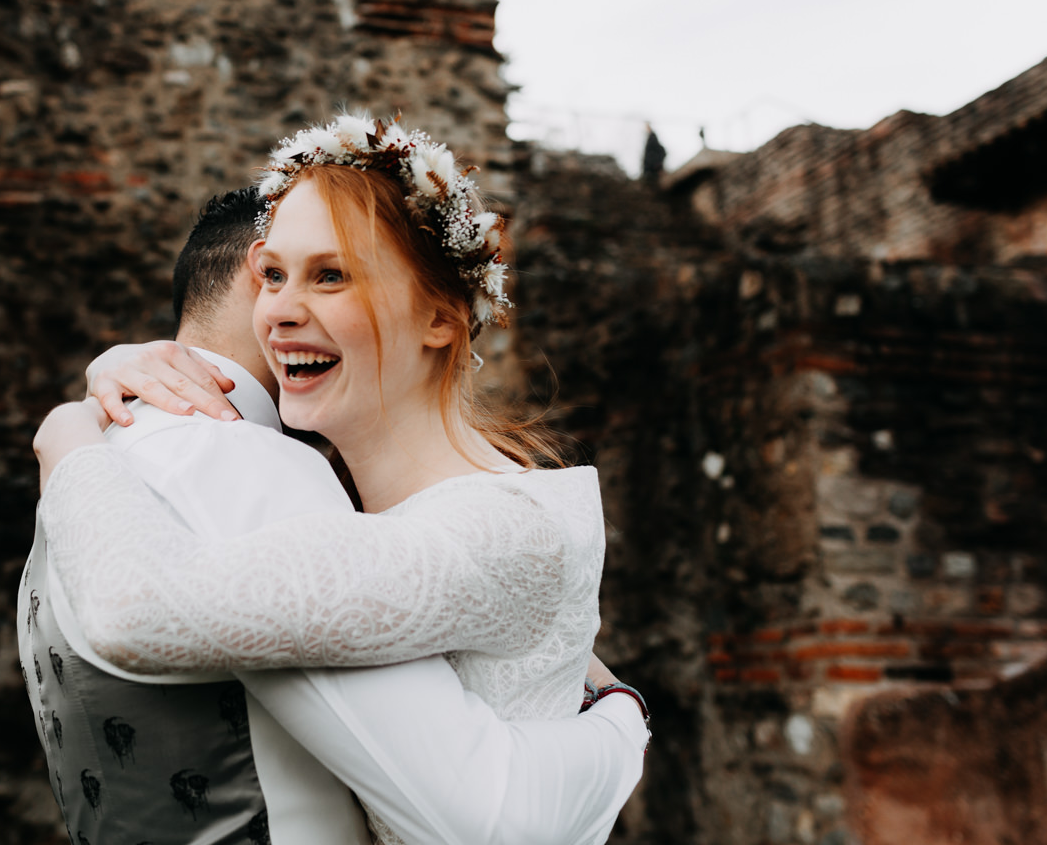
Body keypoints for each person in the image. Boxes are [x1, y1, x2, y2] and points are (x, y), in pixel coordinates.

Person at [33, 114, 650, 844]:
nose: (279, 312)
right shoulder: (354, 503)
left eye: (332, 275)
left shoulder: (493, 525)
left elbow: (132, 611)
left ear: (440, 317)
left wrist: (68, 431)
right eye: (272, 276)